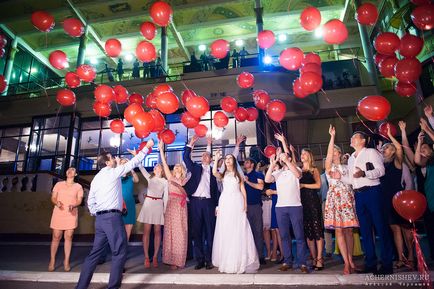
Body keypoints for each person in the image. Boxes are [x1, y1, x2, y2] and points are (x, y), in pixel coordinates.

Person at [75, 140, 153, 289]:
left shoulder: (96, 178)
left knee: (94, 254)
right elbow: (133, 163)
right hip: (112, 218)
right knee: (119, 251)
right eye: (111, 158)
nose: (113, 159)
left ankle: (80, 287)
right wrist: (147, 148)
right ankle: (113, 287)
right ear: (107, 163)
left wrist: (96, 213)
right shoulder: (112, 172)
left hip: (100, 219)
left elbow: (90, 201)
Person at [348, 131, 393, 275]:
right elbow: (352, 180)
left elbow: (381, 171)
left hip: (373, 192)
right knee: (366, 231)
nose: (352, 139)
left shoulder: (371, 152)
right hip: (359, 195)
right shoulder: (350, 158)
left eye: (355, 137)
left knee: (381, 228)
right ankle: (371, 263)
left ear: (363, 141)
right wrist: (340, 177)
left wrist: (365, 174)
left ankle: (387, 264)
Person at [212, 152, 260, 273]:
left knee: (238, 229)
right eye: (226, 158)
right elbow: (214, 173)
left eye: (230, 158)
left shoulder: (238, 174)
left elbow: (243, 190)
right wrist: (217, 158)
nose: (227, 160)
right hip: (225, 202)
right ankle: (227, 260)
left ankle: (239, 260)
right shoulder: (222, 174)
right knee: (226, 229)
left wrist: (245, 204)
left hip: (237, 201)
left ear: (234, 161)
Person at [265, 144, 308, 273]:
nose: (282, 158)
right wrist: (273, 164)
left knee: (299, 236)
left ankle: (302, 263)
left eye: (285, 156)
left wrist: (287, 160)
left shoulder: (296, 169)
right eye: (282, 157)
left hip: (295, 206)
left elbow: (297, 175)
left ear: (289, 158)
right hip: (280, 208)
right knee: (284, 236)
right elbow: (267, 179)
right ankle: (287, 261)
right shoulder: (278, 172)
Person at [323, 125, 359, 275]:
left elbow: (352, 181)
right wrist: (332, 137)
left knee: (349, 231)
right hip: (335, 200)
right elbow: (329, 153)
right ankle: (345, 263)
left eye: (336, 151)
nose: (333, 153)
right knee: (339, 231)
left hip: (347, 199)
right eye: (333, 152)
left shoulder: (347, 166)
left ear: (340, 153)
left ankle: (351, 260)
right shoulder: (328, 167)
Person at [183, 135, 220, 270]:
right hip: (195, 203)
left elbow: (217, 191)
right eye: (203, 155)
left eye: (207, 155)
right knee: (197, 231)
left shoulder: (215, 171)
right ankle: (199, 260)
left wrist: (217, 205)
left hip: (209, 203)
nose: (204, 157)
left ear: (210, 159)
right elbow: (186, 158)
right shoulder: (195, 168)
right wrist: (190, 144)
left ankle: (209, 259)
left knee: (210, 232)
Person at [380, 126, 414, 270]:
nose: (384, 150)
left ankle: (412, 257)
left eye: (387, 148)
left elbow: (400, 149)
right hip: (387, 200)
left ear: (393, 150)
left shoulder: (397, 162)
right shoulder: (382, 165)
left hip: (399, 198)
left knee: (406, 230)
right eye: (383, 148)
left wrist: (390, 136)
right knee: (395, 230)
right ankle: (400, 258)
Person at [158, 140, 189, 270]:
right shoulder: (170, 177)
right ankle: (171, 260)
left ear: (182, 169)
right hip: (171, 206)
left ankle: (180, 259)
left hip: (181, 207)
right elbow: (165, 165)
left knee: (181, 232)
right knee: (170, 232)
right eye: (175, 166)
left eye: (178, 166)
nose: (176, 167)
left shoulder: (185, 179)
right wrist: (161, 149)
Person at [49, 167, 84, 272]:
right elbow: (53, 198)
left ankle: (66, 261)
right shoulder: (58, 184)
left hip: (71, 213)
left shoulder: (78, 186)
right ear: (65, 173)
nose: (70, 171)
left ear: (76, 174)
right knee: (56, 236)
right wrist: (56, 202)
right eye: (68, 170)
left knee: (68, 237)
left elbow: (79, 200)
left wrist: (74, 205)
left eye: (73, 170)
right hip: (58, 212)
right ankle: (52, 260)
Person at [136, 161, 168, 268]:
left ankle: (154, 257)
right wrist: (137, 157)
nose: (156, 168)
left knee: (158, 231)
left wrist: (165, 209)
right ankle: (146, 257)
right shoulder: (150, 178)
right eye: (155, 167)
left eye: (158, 166)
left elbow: (166, 196)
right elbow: (141, 168)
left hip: (159, 204)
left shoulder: (165, 181)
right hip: (148, 204)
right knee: (146, 232)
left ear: (161, 170)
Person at [243, 158, 266, 265]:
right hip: (245, 207)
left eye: (247, 162)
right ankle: (249, 256)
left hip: (256, 206)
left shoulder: (258, 174)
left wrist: (247, 181)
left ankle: (260, 256)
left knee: (258, 232)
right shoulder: (241, 175)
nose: (245, 163)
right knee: (247, 233)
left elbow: (261, 187)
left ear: (252, 164)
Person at [120, 159, 139, 241]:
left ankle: (125, 246)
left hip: (130, 203)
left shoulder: (130, 178)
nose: (125, 164)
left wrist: (130, 167)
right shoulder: (116, 177)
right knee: (120, 226)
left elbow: (137, 180)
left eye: (126, 163)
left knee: (129, 226)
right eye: (123, 163)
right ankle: (119, 247)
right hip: (119, 203)